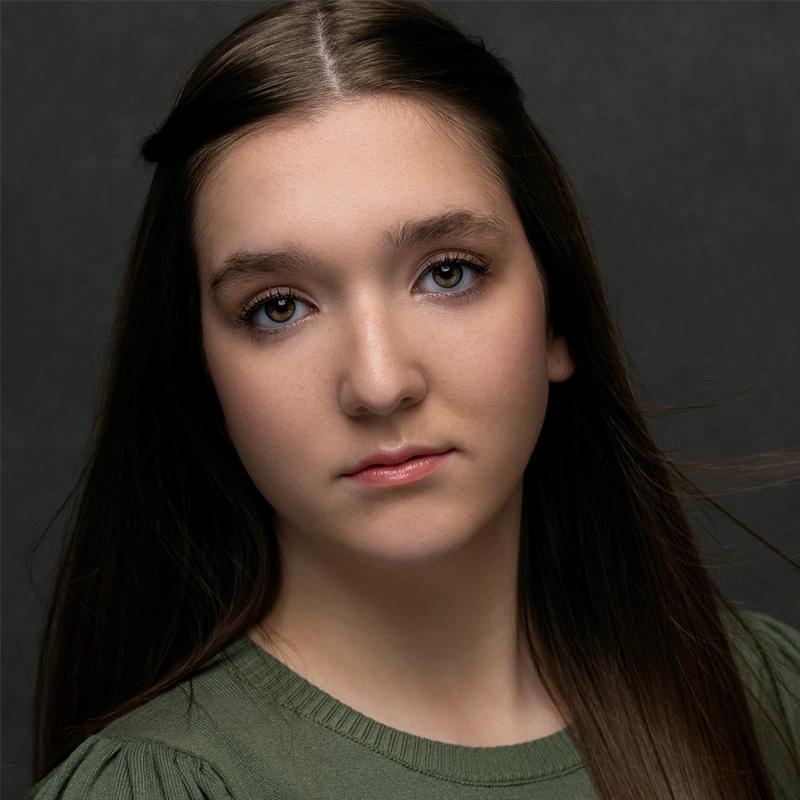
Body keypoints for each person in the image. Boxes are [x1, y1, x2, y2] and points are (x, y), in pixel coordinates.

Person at [26, 1, 800, 798]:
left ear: (558, 318)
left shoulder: (772, 701)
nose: (379, 382)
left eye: (448, 272)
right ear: (202, 375)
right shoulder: (155, 787)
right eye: (279, 307)